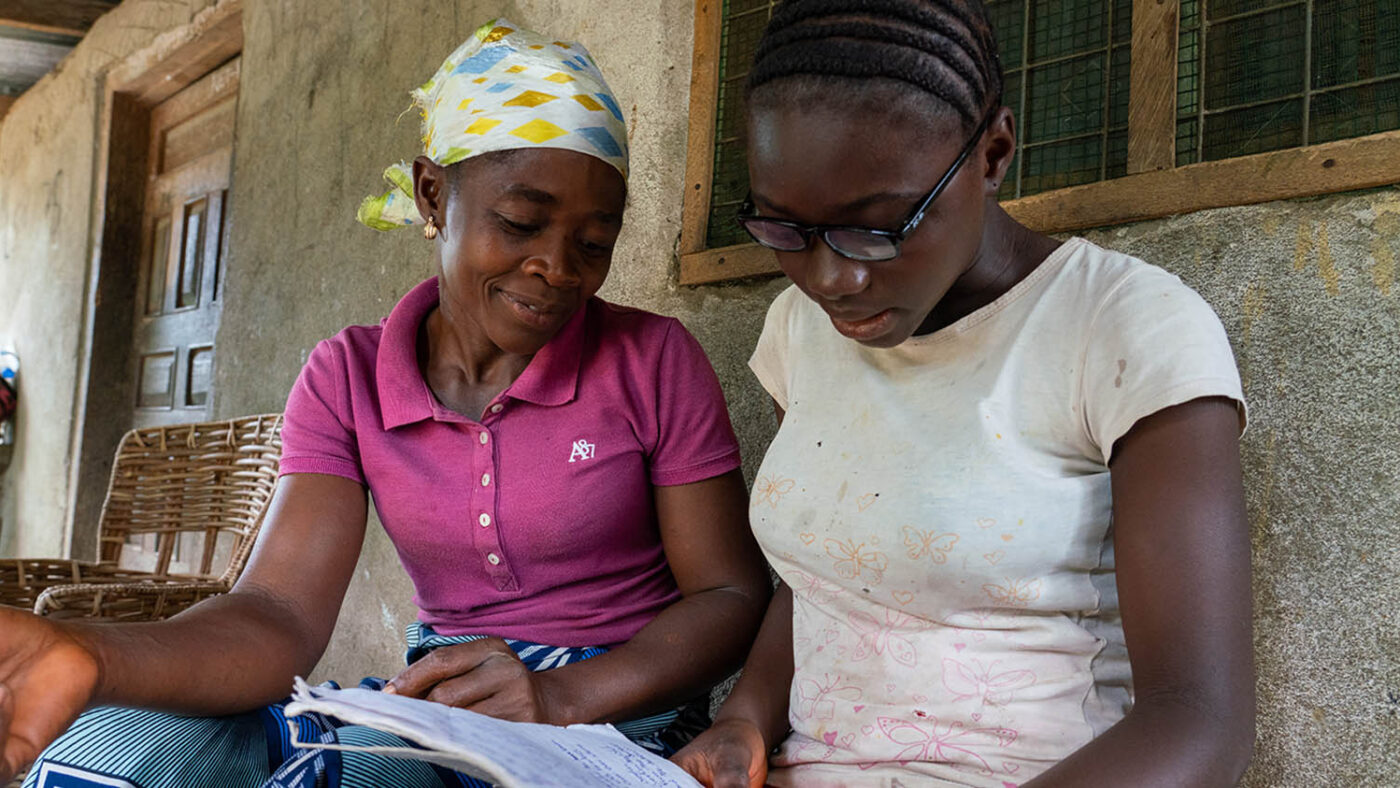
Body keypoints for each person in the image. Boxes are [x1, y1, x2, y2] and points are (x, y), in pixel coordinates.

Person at [0, 19, 770, 788]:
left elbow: (730, 596)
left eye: (594, 242)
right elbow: (277, 612)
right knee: (101, 754)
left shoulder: (652, 359)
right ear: (433, 192)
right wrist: (92, 654)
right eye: (521, 223)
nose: (558, 267)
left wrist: (562, 694)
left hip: (616, 715)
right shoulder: (349, 375)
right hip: (438, 705)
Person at [673, 1, 1254, 786]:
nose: (830, 280)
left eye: (877, 226)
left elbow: (1199, 722)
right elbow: (827, 584)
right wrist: (743, 718)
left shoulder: (1123, 327)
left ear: (993, 152)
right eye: (784, 230)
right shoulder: (800, 329)